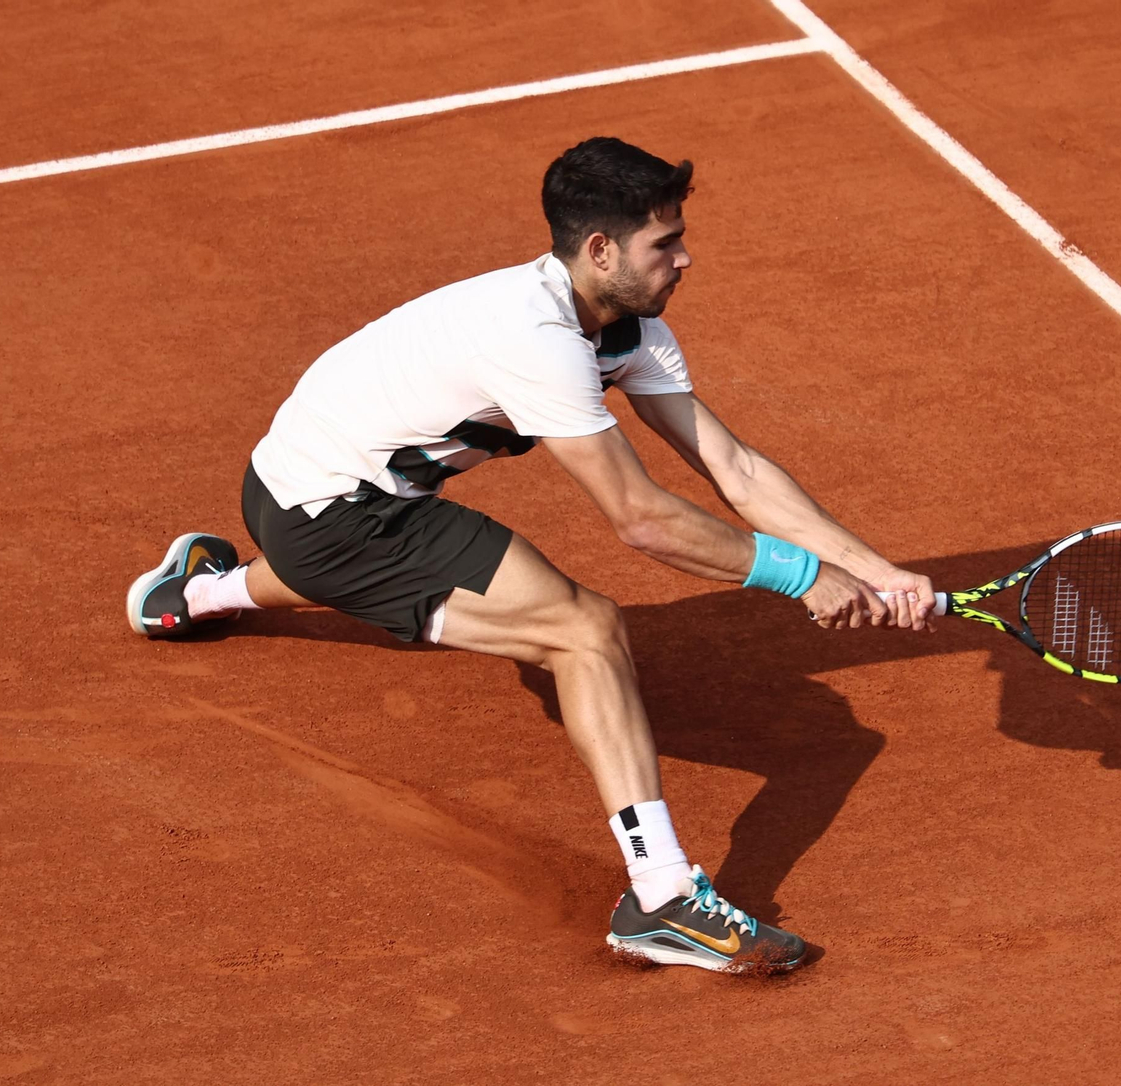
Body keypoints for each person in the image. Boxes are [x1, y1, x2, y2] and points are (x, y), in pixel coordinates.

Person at [125, 136, 937, 973]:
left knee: (393, 572)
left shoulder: (630, 332)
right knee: (584, 631)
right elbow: (642, 519)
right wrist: (801, 576)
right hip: (335, 512)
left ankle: (199, 593)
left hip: (314, 486)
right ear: (599, 250)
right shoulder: (534, 337)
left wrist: (875, 570)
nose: (685, 258)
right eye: (664, 244)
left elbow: (734, 468)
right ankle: (659, 898)